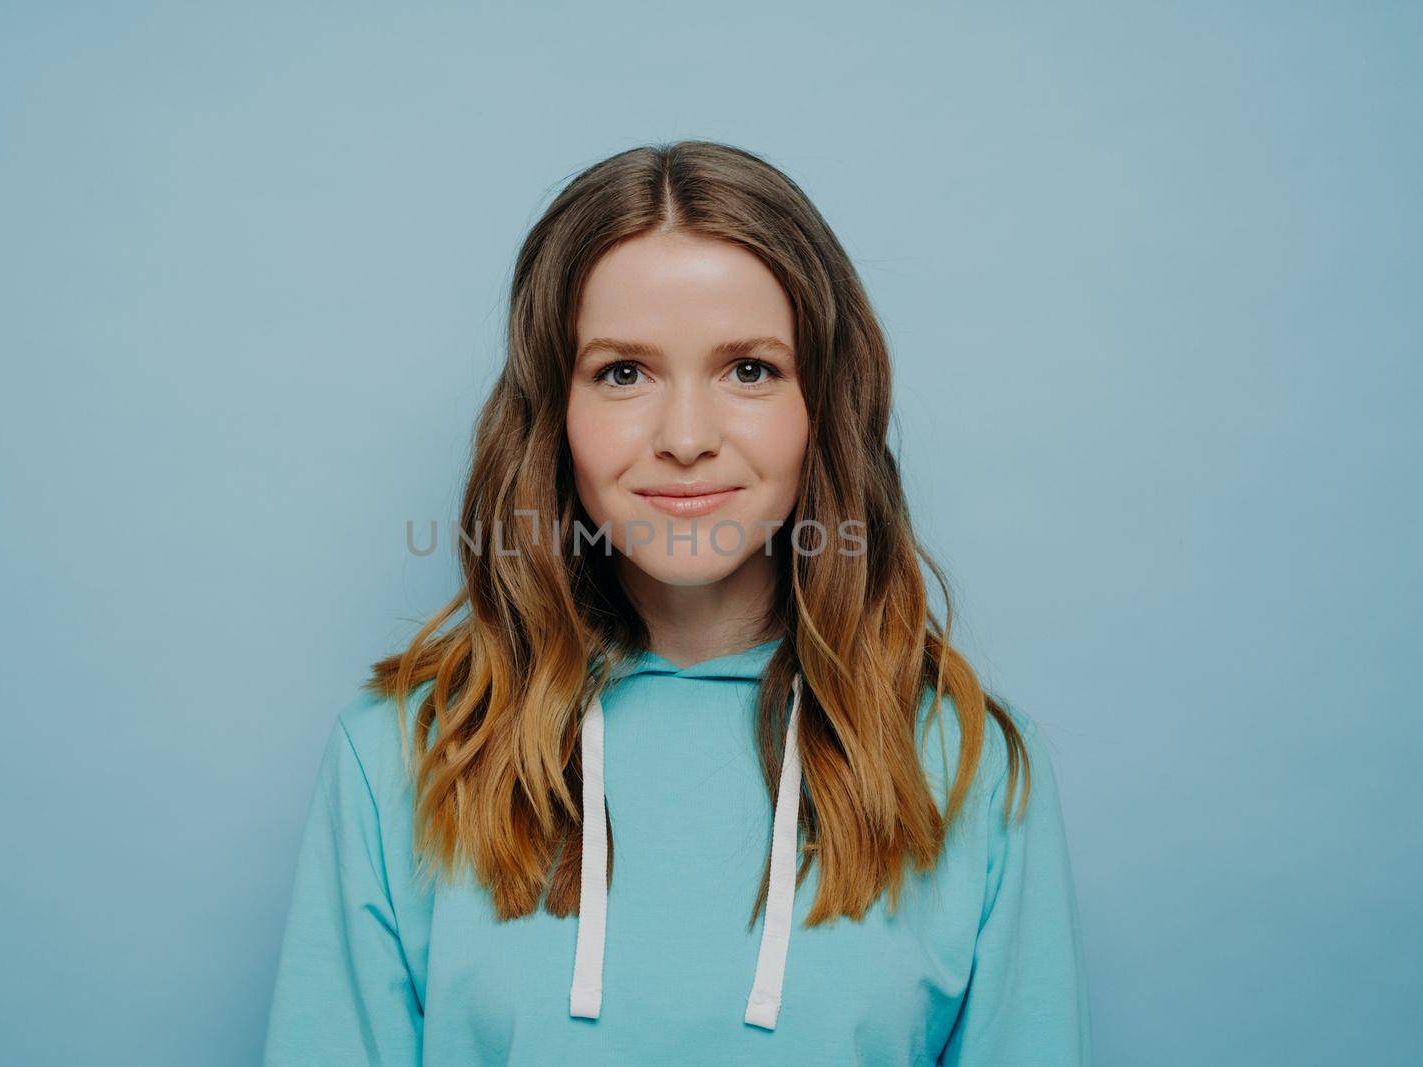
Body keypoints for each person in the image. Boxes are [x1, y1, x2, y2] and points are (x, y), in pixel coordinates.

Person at [262, 140, 1092, 1065]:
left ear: (822, 405)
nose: (687, 438)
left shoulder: (971, 768)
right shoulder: (399, 757)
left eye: (749, 370)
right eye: (623, 372)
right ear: (553, 413)